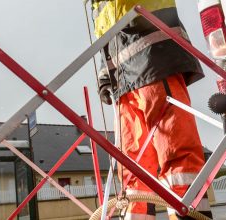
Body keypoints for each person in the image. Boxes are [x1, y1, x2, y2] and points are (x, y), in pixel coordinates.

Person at [91, 1, 213, 219]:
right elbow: (107, 33)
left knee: (175, 150)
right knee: (132, 167)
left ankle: (189, 213)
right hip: (123, 80)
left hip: (156, 59)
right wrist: (104, 74)